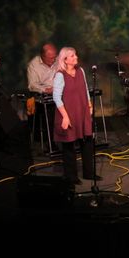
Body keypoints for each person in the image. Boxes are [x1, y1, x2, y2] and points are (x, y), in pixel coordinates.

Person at [52, 47, 100, 185]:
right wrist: (65, 117)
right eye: (72, 56)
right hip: (67, 113)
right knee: (69, 145)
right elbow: (56, 97)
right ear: (65, 60)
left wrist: (89, 105)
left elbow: (85, 89)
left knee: (87, 142)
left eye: (75, 55)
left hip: (82, 111)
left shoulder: (80, 71)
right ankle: (71, 176)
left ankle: (89, 173)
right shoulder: (60, 75)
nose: (76, 57)